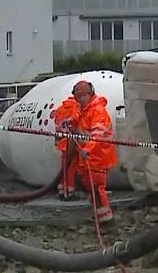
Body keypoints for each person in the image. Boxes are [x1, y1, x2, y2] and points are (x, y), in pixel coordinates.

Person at [50, 80, 117, 223]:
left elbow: (98, 135)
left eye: (82, 96)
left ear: (90, 94)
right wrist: (70, 122)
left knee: (97, 188)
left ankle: (106, 219)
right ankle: (100, 215)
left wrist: (87, 149)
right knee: (90, 187)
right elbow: (78, 122)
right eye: (77, 97)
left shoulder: (97, 111)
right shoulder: (84, 110)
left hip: (98, 156)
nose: (80, 100)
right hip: (87, 157)